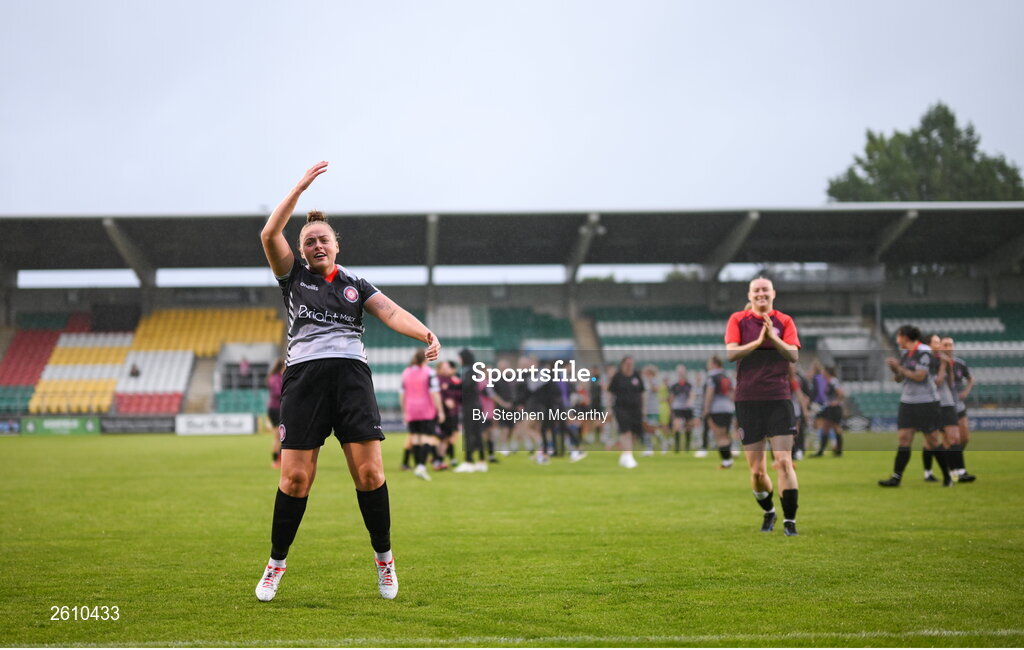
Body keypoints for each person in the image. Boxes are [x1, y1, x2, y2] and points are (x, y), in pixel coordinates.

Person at [255, 161, 441, 603]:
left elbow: (391, 312)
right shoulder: (293, 278)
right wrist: (299, 188)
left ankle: (385, 560)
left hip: (352, 379)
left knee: (371, 472)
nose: (316, 244)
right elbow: (268, 235)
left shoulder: (357, 284)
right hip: (303, 381)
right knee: (295, 479)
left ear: (336, 245)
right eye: (308, 241)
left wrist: (426, 333)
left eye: (322, 238)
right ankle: (275, 565)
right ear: (301, 251)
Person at [725, 277, 801, 536]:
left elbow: (793, 354)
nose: (761, 294)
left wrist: (773, 338)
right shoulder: (738, 320)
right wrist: (759, 342)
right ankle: (769, 512)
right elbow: (731, 354)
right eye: (756, 290)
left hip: (778, 398)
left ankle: (790, 521)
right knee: (757, 471)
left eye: (765, 290)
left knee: (783, 461)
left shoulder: (785, 321)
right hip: (747, 400)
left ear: (773, 294)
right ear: (750, 294)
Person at [878, 325, 953, 488]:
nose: (897, 340)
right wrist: (895, 370)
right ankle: (896, 478)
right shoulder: (906, 354)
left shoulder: (924, 351)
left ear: (905, 337)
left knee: (933, 441)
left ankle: (947, 476)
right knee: (904, 439)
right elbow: (900, 378)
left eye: (899, 336)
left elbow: (920, 376)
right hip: (908, 402)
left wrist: (899, 368)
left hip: (926, 402)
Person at [400, 349, 444, 482]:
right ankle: (421, 466)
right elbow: (434, 393)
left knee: (415, 438)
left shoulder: (406, 372)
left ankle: (418, 465)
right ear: (426, 359)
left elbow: (402, 393)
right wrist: (440, 410)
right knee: (428, 438)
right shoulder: (429, 373)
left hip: (411, 409)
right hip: (425, 409)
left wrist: (404, 411)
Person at [946, 337, 977, 481]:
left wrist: (966, 391)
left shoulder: (960, 364)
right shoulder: (937, 364)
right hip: (944, 406)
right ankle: (956, 470)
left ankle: (953, 462)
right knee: (951, 440)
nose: (948, 347)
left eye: (950, 345)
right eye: (945, 345)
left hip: (959, 405)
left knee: (964, 438)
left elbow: (970, 379)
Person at [608, 356, 645, 468]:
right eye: (627, 363)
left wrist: (643, 408)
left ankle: (625, 455)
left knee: (633, 433)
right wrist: (609, 408)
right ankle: (629, 457)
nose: (629, 366)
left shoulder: (636, 376)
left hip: (635, 408)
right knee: (626, 431)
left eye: (631, 363)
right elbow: (610, 392)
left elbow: (642, 392)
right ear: (623, 364)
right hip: (621, 408)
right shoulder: (618, 377)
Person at [702, 356, 735, 469]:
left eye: (709, 362)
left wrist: (706, 409)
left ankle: (727, 461)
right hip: (728, 408)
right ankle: (729, 458)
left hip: (717, 409)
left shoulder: (712, 377)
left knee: (719, 436)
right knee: (725, 434)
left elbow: (709, 393)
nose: (708, 365)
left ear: (715, 364)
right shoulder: (726, 376)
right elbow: (732, 393)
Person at [814, 366, 845, 456]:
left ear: (827, 372)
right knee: (825, 428)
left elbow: (841, 393)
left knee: (836, 427)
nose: (822, 373)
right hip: (828, 407)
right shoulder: (828, 382)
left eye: (823, 371)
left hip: (834, 408)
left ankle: (838, 451)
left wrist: (836, 402)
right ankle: (821, 451)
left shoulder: (833, 381)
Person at [668, 364, 697, 453]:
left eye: (682, 371)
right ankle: (677, 447)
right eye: (679, 372)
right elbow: (671, 398)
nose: (681, 373)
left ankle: (687, 447)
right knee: (677, 425)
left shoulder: (689, 384)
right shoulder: (674, 385)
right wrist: (671, 409)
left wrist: (690, 401)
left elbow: (692, 395)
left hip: (687, 408)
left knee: (688, 426)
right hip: (678, 408)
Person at [267, 357, 285, 469]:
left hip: (279, 408)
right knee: (278, 436)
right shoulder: (275, 378)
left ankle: (279, 459)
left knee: (280, 436)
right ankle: (275, 460)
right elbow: (278, 392)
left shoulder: (278, 377)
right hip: (276, 409)